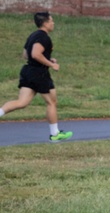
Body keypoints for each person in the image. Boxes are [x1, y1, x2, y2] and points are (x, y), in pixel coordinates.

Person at [0, 12, 73, 142]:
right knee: (52, 102)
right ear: (45, 23)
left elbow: (25, 55)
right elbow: (35, 54)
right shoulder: (44, 37)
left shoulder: (33, 35)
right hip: (39, 73)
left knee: (21, 102)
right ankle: (55, 134)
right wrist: (51, 64)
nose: (53, 23)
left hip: (28, 71)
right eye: (51, 21)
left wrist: (48, 58)